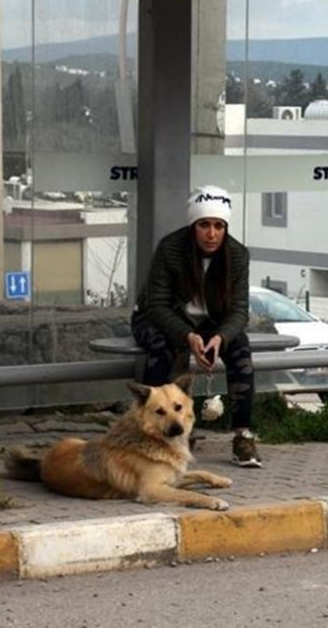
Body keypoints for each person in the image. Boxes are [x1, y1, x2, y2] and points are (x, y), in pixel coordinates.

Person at [131, 185, 262, 468]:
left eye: (218, 226)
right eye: (204, 225)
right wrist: (187, 336)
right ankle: (154, 433)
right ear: (193, 226)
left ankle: (243, 435)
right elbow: (157, 305)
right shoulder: (170, 248)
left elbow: (239, 311)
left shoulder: (237, 255)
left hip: (210, 323)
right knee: (163, 349)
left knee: (241, 349)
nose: (211, 234)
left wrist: (221, 338)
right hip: (158, 318)